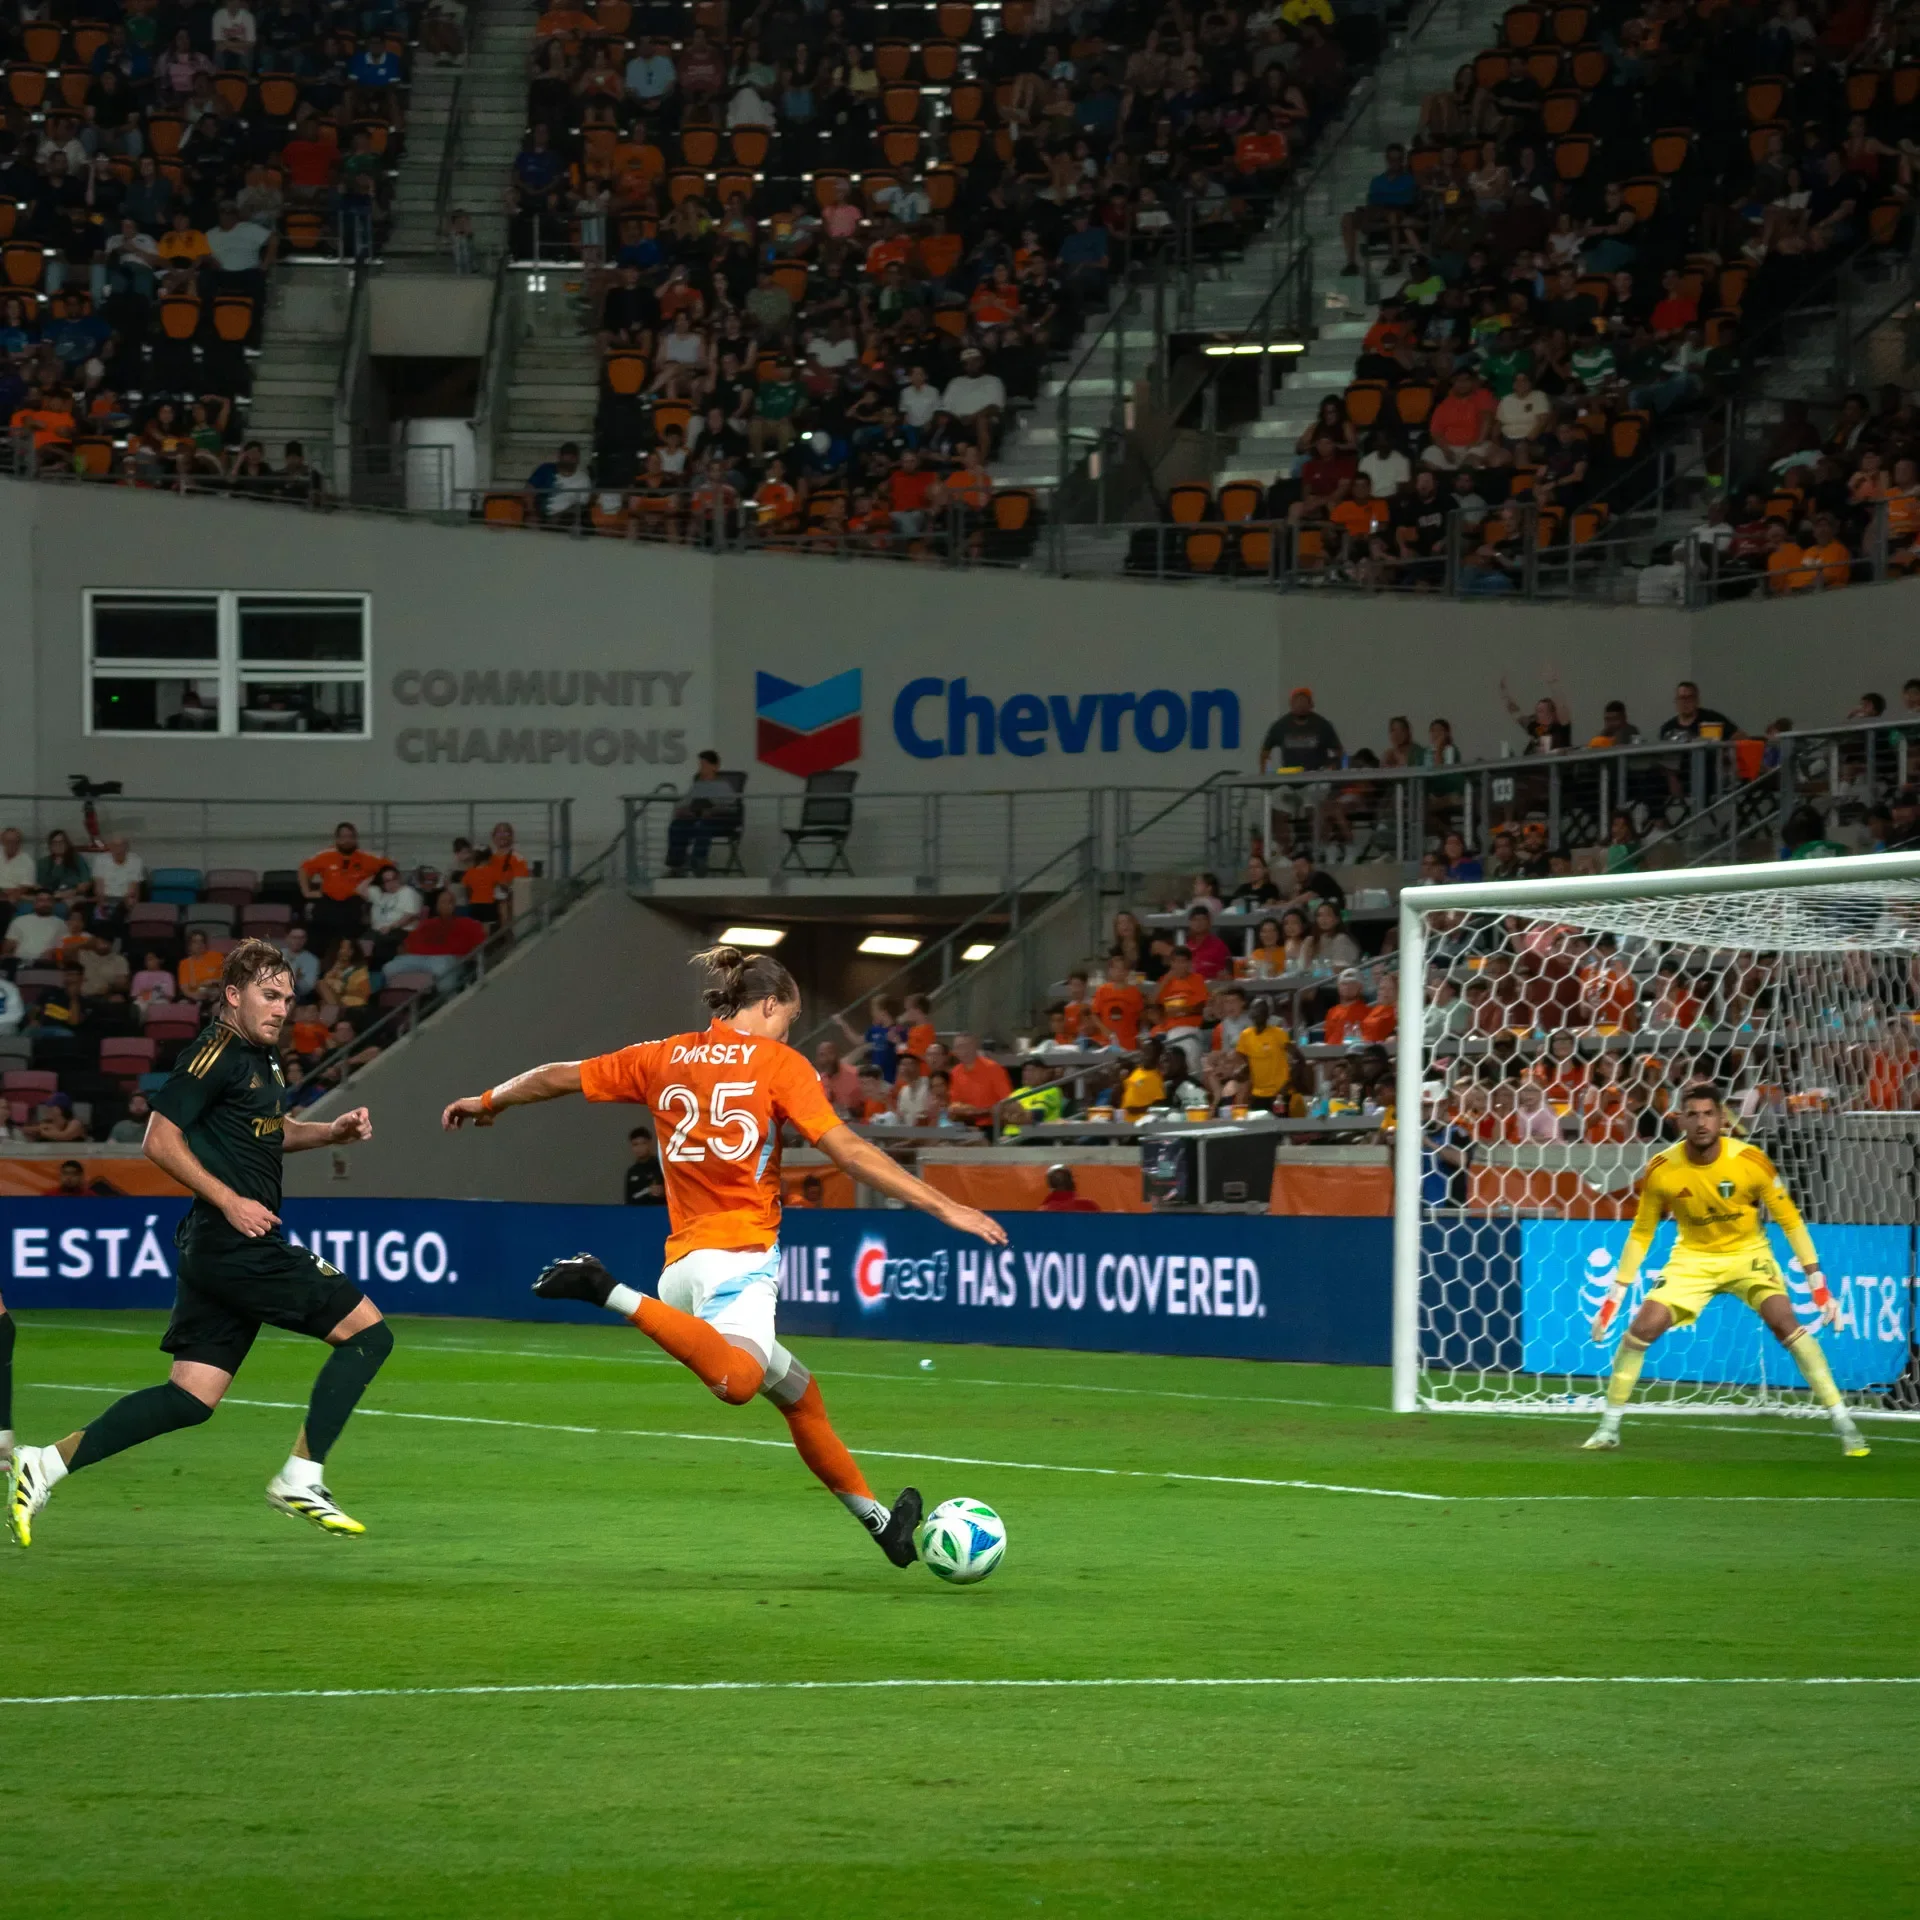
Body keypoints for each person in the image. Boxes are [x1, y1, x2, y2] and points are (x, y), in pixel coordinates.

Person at [437, 944, 1007, 1568]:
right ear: (768, 1005)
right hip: (740, 1255)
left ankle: (881, 1526)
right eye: (787, 1018)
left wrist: (487, 1100)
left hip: (684, 1268)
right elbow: (848, 1151)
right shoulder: (780, 1065)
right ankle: (604, 1287)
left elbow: (556, 1075)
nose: (788, 1029)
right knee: (738, 1383)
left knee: (799, 1394)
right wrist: (944, 1206)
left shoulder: (660, 1055)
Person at [7, 941, 386, 1549]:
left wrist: (330, 1131)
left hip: (218, 1246)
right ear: (233, 995)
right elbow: (157, 1140)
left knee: (190, 1397)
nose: (283, 1008)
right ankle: (302, 1476)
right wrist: (229, 1199)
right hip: (236, 1240)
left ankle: (44, 1464)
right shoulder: (214, 1053)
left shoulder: (261, 1061)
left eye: (288, 998)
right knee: (369, 1334)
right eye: (270, 995)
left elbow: (272, 1132)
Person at [1582, 1084, 1867, 1457]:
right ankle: (1609, 1428)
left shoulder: (1750, 1161)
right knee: (1641, 1330)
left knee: (1785, 1321)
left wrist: (1818, 1284)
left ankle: (1844, 1423)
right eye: (1693, 1114)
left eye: (1708, 1113)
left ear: (1722, 1119)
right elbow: (1642, 1232)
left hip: (1748, 1254)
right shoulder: (1663, 1169)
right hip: (1692, 1259)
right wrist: (1614, 1296)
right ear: (1680, 1119)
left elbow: (1791, 1221)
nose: (1701, 1122)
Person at [300, 822, 386, 953]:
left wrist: (370, 880)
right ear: (337, 839)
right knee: (317, 928)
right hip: (328, 900)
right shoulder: (325, 855)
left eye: (351, 837)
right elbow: (304, 869)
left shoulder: (367, 857)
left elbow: (390, 868)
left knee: (350, 930)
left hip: (353, 902)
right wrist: (307, 892)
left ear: (356, 838)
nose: (347, 840)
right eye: (343, 837)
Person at [665, 750, 736, 877]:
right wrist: (683, 811)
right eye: (700, 765)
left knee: (702, 824)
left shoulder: (723, 786)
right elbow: (683, 803)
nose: (701, 768)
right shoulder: (697, 786)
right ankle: (676, 865)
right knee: (676, 825)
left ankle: (698, 861)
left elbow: (731, 807)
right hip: (695, 818)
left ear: (715, 766)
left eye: (705, 765)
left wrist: (712, 810)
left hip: (715, 820)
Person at [460, 822, 531, 930]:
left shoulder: (518, 858)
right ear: (493, 837)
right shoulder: (486, 858)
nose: (502, 835)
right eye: (499, 832)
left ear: (511, 836)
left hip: (506, 899)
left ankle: (505, 935)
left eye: (506, 832)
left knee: (503, 905)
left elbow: (519, 884)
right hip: (486, 899)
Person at [625, 1125, 667, 1205]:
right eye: (635, 1144)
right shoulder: (632, 1171)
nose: (639, 1148)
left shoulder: (661, 1167)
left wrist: (663, 1192)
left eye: (643, 1143)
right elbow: (629, 1201)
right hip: (637, 1215)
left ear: (650, 1144)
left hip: (660, 1213)